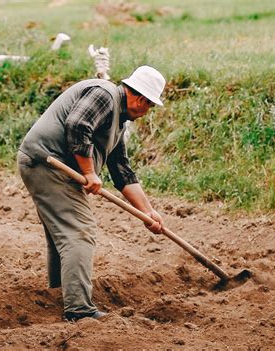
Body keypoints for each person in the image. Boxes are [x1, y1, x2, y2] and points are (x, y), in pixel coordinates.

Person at [17, 65, 166, 322]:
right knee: (79, 232)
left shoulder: (118, 121)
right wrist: (89, 172)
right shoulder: (104, 94)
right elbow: (77, 125)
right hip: (48, 163)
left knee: (61, 235)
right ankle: (78, 309)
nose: (147, 112)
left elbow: (121, 171)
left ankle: (60, 293)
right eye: (150, 106)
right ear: (142, 99)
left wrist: (147, 212)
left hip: (49, 165)